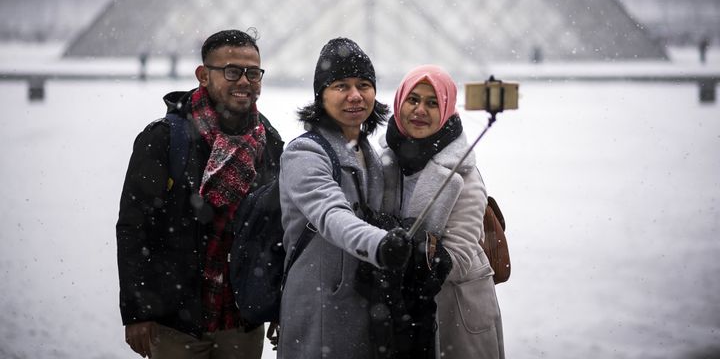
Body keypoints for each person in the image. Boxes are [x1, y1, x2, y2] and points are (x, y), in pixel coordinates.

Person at [117, 29, 284, 359]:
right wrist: (137, 311)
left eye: (253, 72)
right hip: (177, 321)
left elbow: (276, 231)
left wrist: (277, 303)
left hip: (242, 320)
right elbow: (134, 228)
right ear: (203, 75)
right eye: (232, 71)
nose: (245, 81)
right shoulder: (164, 138)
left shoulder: (270, 141)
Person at [277, 37, 412, 359]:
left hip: (365, 300)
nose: (355, 95)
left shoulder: (373, 155)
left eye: (364, 84)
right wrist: (379, 244)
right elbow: (331, 214)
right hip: (321, 305)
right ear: (321, 96)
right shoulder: (304, 152)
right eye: (341, 85)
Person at [380, 64, 505, 358]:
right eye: (413, 100)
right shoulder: (383, 163)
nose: (420, 110)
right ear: (399, 104)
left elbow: (459, 257)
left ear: (447, 108)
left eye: (432, 102)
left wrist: (415, 252)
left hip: (457, 312)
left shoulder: (465, 176)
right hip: (402, 313)